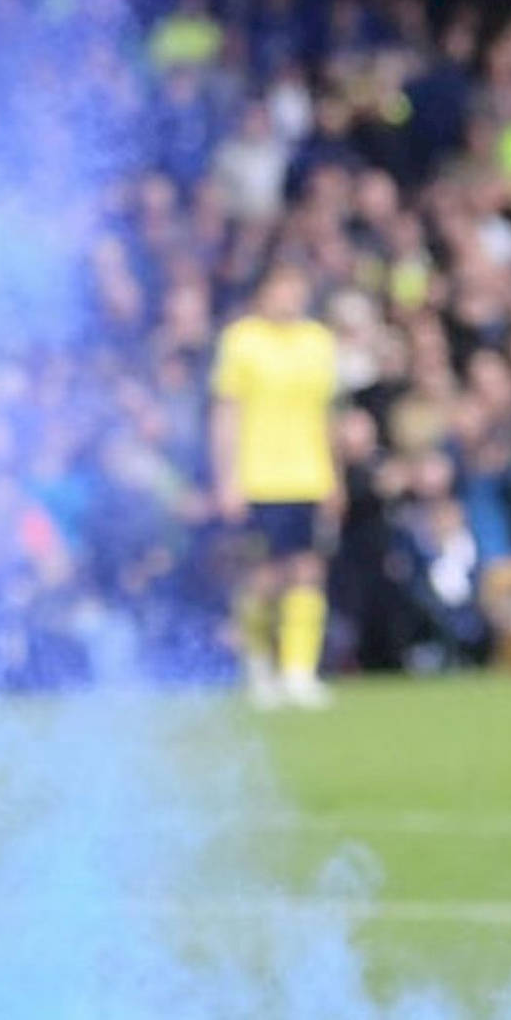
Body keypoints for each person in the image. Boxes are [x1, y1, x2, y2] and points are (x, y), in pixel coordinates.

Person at [210, 263, 340, 708]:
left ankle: (298, 672)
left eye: (297, 287)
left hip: (308, 476)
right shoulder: (242, 340)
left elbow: (326, 416)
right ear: (264, 292)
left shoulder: (318, 341)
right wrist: (227, 478)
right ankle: (259, 668)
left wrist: (334, 476)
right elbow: (226, 412)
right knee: (262, 577)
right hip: (258, 477)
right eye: (282, 287)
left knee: (307, 572)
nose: (290, 297)